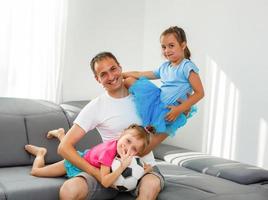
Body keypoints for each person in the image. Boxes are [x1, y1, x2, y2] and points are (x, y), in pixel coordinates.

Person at [58, 52, 167, 200]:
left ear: (120, 68)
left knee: (151, 185)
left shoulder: (142, 96)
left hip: (144, 168)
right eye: (103, 74)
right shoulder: (96, 106)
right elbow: (64, 147)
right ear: (98, 79)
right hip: (108, 171)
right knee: (69, 190)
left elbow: (164, 121)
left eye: (113, 69)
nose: (110, 76)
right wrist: (96, 173)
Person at [123, 26, 204, 137]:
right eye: (163, 47)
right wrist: (122, 74)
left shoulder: (187, 66)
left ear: (183, 45)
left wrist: (179, 109)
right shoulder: (165, 66)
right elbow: (141, 74)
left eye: (171, 46)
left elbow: (200, 93)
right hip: (158, 100)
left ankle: (151, 128)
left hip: (172, 108)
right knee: (129, 80)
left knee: (152, 128)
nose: (166, 51)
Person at [24, 124, 153, 189]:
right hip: (74, 164)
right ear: (121, 134)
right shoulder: (108, 152)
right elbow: (106, 182)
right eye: (128, 141)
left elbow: (133, 169)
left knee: (71, 151)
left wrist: (144, 169)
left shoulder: (126, 154)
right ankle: (40, 153)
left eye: (134, 149)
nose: (128, 149)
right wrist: (122, 167)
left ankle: (60, 134)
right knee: (36, 172)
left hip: (87, 157)